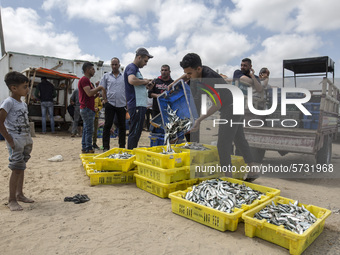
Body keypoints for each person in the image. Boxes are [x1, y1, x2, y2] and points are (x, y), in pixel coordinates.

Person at [179, 53, 257, 181]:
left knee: (223, 144)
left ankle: (228, 179)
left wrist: (199, 120)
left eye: (189, 74)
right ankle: (253, 171)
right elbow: (187, 74)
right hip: (235, 103)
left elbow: (217, 104)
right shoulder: (199, 70)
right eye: (186, 73)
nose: (188, 77)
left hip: (231, 107)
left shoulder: (208, 79)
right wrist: (175, 83)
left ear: (198, 69)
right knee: (239, 139)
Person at [0, 71, 34, 211]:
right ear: (14, 88)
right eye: (25, 87)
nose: (27, 89)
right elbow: (0, 123)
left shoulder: (23, 103)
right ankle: (12, 199)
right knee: (16, 169)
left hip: (25, 139)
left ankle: (19, 194)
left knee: (21, 167)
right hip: (16, 140)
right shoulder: (8, 102)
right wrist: (10, 140)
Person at [124, 47, 153, 149]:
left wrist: (146, 86)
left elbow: (136, 84)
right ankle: (131, 153)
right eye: (145, 61)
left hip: (139, 104)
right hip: (136, 105)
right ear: (139, 57)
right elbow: (131, 80)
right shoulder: (132, 67)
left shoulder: (136, 69)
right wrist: (145, 81)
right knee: (135, 132)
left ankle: (132, 151)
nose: (145, 63)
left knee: (137, 131)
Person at [78, 62, 105, 153]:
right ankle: (88, 148)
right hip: (87, 108)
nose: (94, 71)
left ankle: (85, 147)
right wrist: (100, 87)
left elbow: (89, 95)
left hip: (87, 108)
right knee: (89, 129)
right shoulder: (84, 79)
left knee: (86, 128)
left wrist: (95, 94)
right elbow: (89, 92)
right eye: (93, 69)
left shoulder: (87, 80)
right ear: (88, 70)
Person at [100, 57, 126, 150]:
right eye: (112, 64)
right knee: (107, 125)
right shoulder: (106, 76)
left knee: (122, 127)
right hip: (110, 104)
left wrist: (126, 102)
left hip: (121, 104)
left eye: (116, 64)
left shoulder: (124, 77)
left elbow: (127, 90)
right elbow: (103, 88)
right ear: (111, 65)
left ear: (119, 65)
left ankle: (122, 147)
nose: (114, 66)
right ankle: (106, 147)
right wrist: (105, 100)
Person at [92, 82, 103, 149]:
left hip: (96, 116)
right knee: (89, 130)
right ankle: (88, 144)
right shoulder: (88, 97)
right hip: (89, 116)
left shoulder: (97, 97)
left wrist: (98, 109)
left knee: (95, 131)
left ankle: (94, 143)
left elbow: (100, 105)